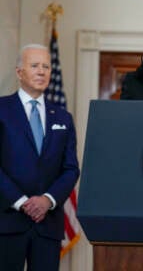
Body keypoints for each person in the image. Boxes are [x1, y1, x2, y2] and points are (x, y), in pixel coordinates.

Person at [0, 44, 80, 270]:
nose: (42, 71)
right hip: (7, 222)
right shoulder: (1, 110)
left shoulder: (63, 117)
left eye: (46, 66)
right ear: (19, 72)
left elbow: (71, 168)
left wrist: (48, 200)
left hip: (48, 225)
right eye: (34, 65)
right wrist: (21, 202)